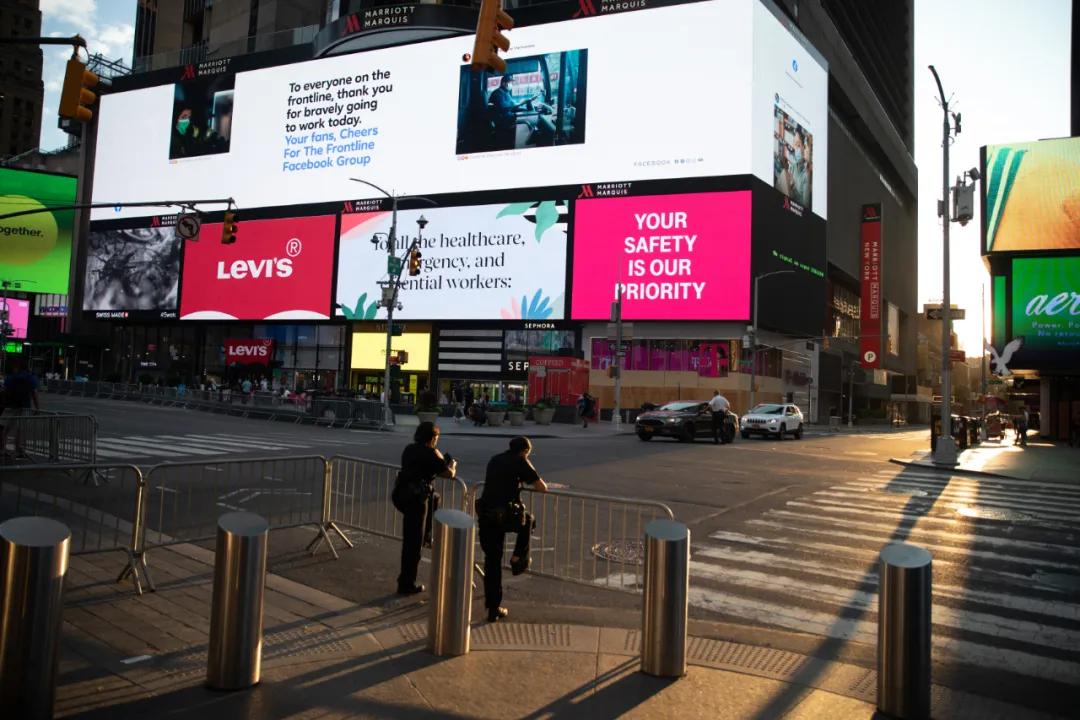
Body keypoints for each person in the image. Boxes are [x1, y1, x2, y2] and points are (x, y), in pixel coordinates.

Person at [477, 437, 548, 622]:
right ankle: (518, 557)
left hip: (486, 514)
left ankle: (493, 608)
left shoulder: (495, 459)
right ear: (525, 451)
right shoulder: (520, 461)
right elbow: (541, 487)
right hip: (504, 515)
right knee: (528, 520)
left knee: (492, 562)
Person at [393, 422, 457, 595]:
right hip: (417, 499)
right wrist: (452, 465)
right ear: (432, 437)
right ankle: (406, 583)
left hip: (402, 494)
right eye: (437, 437)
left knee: (411, 538)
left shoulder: (409, 449)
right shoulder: (431, 452)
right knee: (413, 544)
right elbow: (448, 473)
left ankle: (426, 536)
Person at [487, 75, 538, 151]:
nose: (511, 85)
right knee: (529, 122)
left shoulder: (506, 93)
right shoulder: (498, 93)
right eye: (510, 83)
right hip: (504, 121)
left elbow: (512, 105)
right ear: (504, 83)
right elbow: (504, 108)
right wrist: (520, 104)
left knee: (528, 116)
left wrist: (523, 107)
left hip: (507, 117)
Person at [3, 359, 40, 459]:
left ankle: (2, 449)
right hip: (25, 406)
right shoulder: (31, 377)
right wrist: (37, 407)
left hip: (11, 406)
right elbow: (34, 394)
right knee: (21, 429)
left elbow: (5, 391)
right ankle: (19, 450)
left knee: (4, 428)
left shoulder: (11, 377)